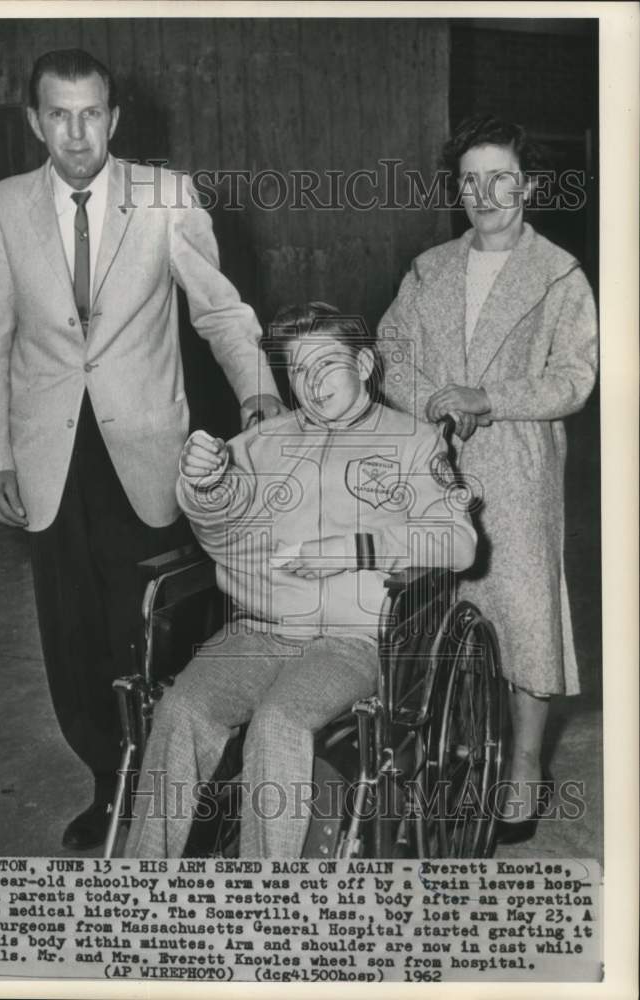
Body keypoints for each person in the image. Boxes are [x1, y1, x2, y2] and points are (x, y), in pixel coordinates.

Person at [0, 49, 283, 850]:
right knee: (72, 633)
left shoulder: (165, 196)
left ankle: (188, 789)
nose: (77, 132)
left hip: (148, 452)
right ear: (35, 121)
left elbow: (220, 311)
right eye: (59, 114)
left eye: (92, 113)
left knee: (159, 630)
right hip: (48, 455)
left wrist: (258, 390)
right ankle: (111, 782)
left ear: (114, 118)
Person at [123, 302, 477, 858]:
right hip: (260, 630)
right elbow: (221, 537)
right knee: (181, 711)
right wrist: (204, 487)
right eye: (297, 372)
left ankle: (270, 901)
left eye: (325, 366)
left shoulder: (413, 442)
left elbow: (458, 543)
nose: (310, 386)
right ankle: (140, 889)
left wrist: (357, 549)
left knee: (279, 722)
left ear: (363, 365)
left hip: (350, 640)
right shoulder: (261, 445)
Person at [376, 115, 598, 843]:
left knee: (525, 615)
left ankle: (525, 765)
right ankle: (442, 751)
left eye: (499, 176)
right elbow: (387, 353)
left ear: (527, 185)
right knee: (434, 611)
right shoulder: (428, 268)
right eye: (469, 179)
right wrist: (433, 401)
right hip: (434, 463)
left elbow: (574, 377)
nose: (483, 193)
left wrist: (488, 398)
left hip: (517, 465)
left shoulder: (558, 272)